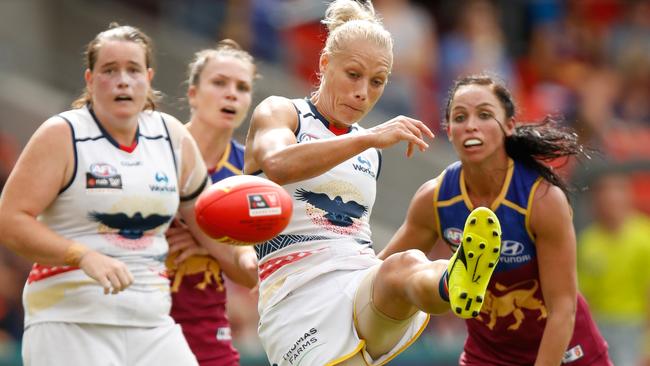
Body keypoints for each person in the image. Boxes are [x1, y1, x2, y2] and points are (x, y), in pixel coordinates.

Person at [243, 1, 502, 365]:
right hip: (294, 297)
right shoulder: (283, 112)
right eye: (353, 74)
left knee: (403, 266)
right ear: (324, 64)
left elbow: (352, 241)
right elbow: (277, 165)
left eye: (377, 81)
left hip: (355, 280)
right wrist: (366, 138)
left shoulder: (370, 150)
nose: (364, 92)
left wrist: (367, 140)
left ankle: (456, 280)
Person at [0, 23, 230, 366]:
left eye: (133, 69)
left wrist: (252, 262)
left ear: (149, 78)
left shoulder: (172, 136)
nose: (123, 80)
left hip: (152, 322)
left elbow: (208, 219)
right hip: (69, 321)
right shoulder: (62, 134)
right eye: (110, 70)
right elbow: (10, 219)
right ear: (91, 80)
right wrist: (81, 255)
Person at [380, 73, 612, 365]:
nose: (471, 125)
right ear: (449, 131)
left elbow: (563, 308)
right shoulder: (436, 198)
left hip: (567, 352)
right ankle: (445, 281)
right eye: (460, 117)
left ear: (510, 126)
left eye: (485, 115)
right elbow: (383, 270)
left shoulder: (541, 200)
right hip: (489, 355)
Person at [165, 40, 259, 366]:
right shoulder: (157, 145)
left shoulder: (250, 172)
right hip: (138, 311)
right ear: (193, 93)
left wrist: (205, 243)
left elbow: (252, 273)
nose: (231, 93)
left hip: (204, 318)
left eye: (242, 87)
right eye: (219, 83)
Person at [577, 166, 650, 366]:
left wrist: (647, 344)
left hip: (633, 326)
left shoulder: (645, 237)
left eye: (617, 193)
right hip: (599, 325)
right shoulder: (588, 241)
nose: (610, 201)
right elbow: (584, 295)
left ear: (628, 197)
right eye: (604, 195)